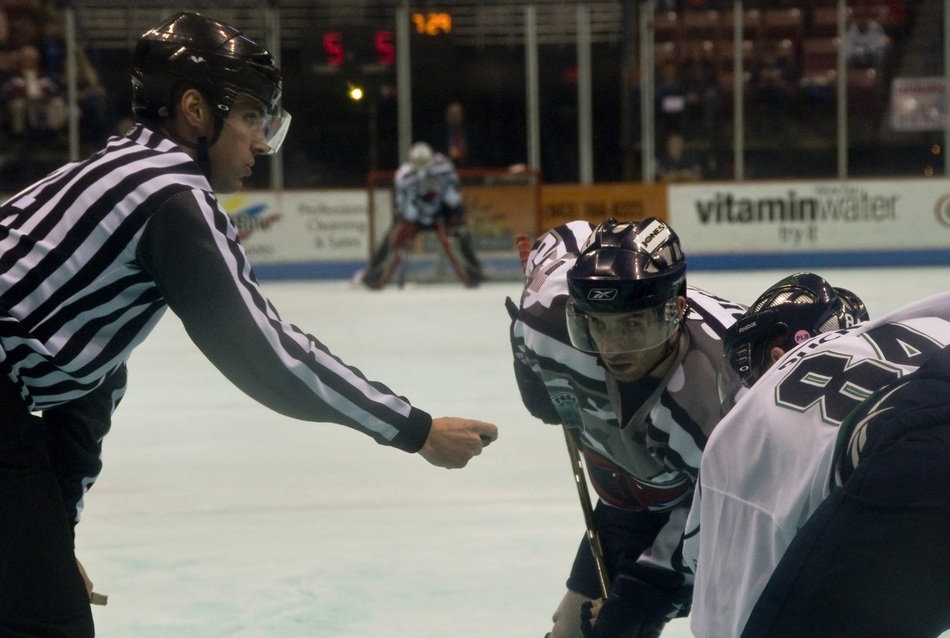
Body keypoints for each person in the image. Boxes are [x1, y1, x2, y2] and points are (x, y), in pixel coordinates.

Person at [0, 12, 497, 637]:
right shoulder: (169, 195)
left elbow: (88, 395)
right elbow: (266, 355)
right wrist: (415, 429)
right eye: (253, 119)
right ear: (194, 110)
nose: (263, 142)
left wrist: (47, 536)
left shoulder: (111, 178)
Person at [507, 217, 746, 637]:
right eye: (597, 324)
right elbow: (565, 239)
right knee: (571, 631)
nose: (612, 348)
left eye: (634, 325)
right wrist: (535, 380)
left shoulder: (718, 398)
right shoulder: (548, 321)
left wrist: (645, 595)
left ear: (675, 310)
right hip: (633, 489)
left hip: (709, 502)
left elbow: (730, 518)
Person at [685, 274, 950, 637]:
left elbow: (726, 611)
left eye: (743, 372)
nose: (743, 388)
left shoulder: (750, 427)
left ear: (779, 356)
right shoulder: (898, 333)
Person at [361, 141, 484, 289]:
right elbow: (403, 203)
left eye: (424, 162)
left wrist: (453, 208)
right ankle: (374, 273)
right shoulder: (404, 175)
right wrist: (411, 219)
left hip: (439, 212)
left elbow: (454, 189)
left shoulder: (444, 167)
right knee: (392, 238)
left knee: (461, 234)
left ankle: (474, 271)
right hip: (414, 215)